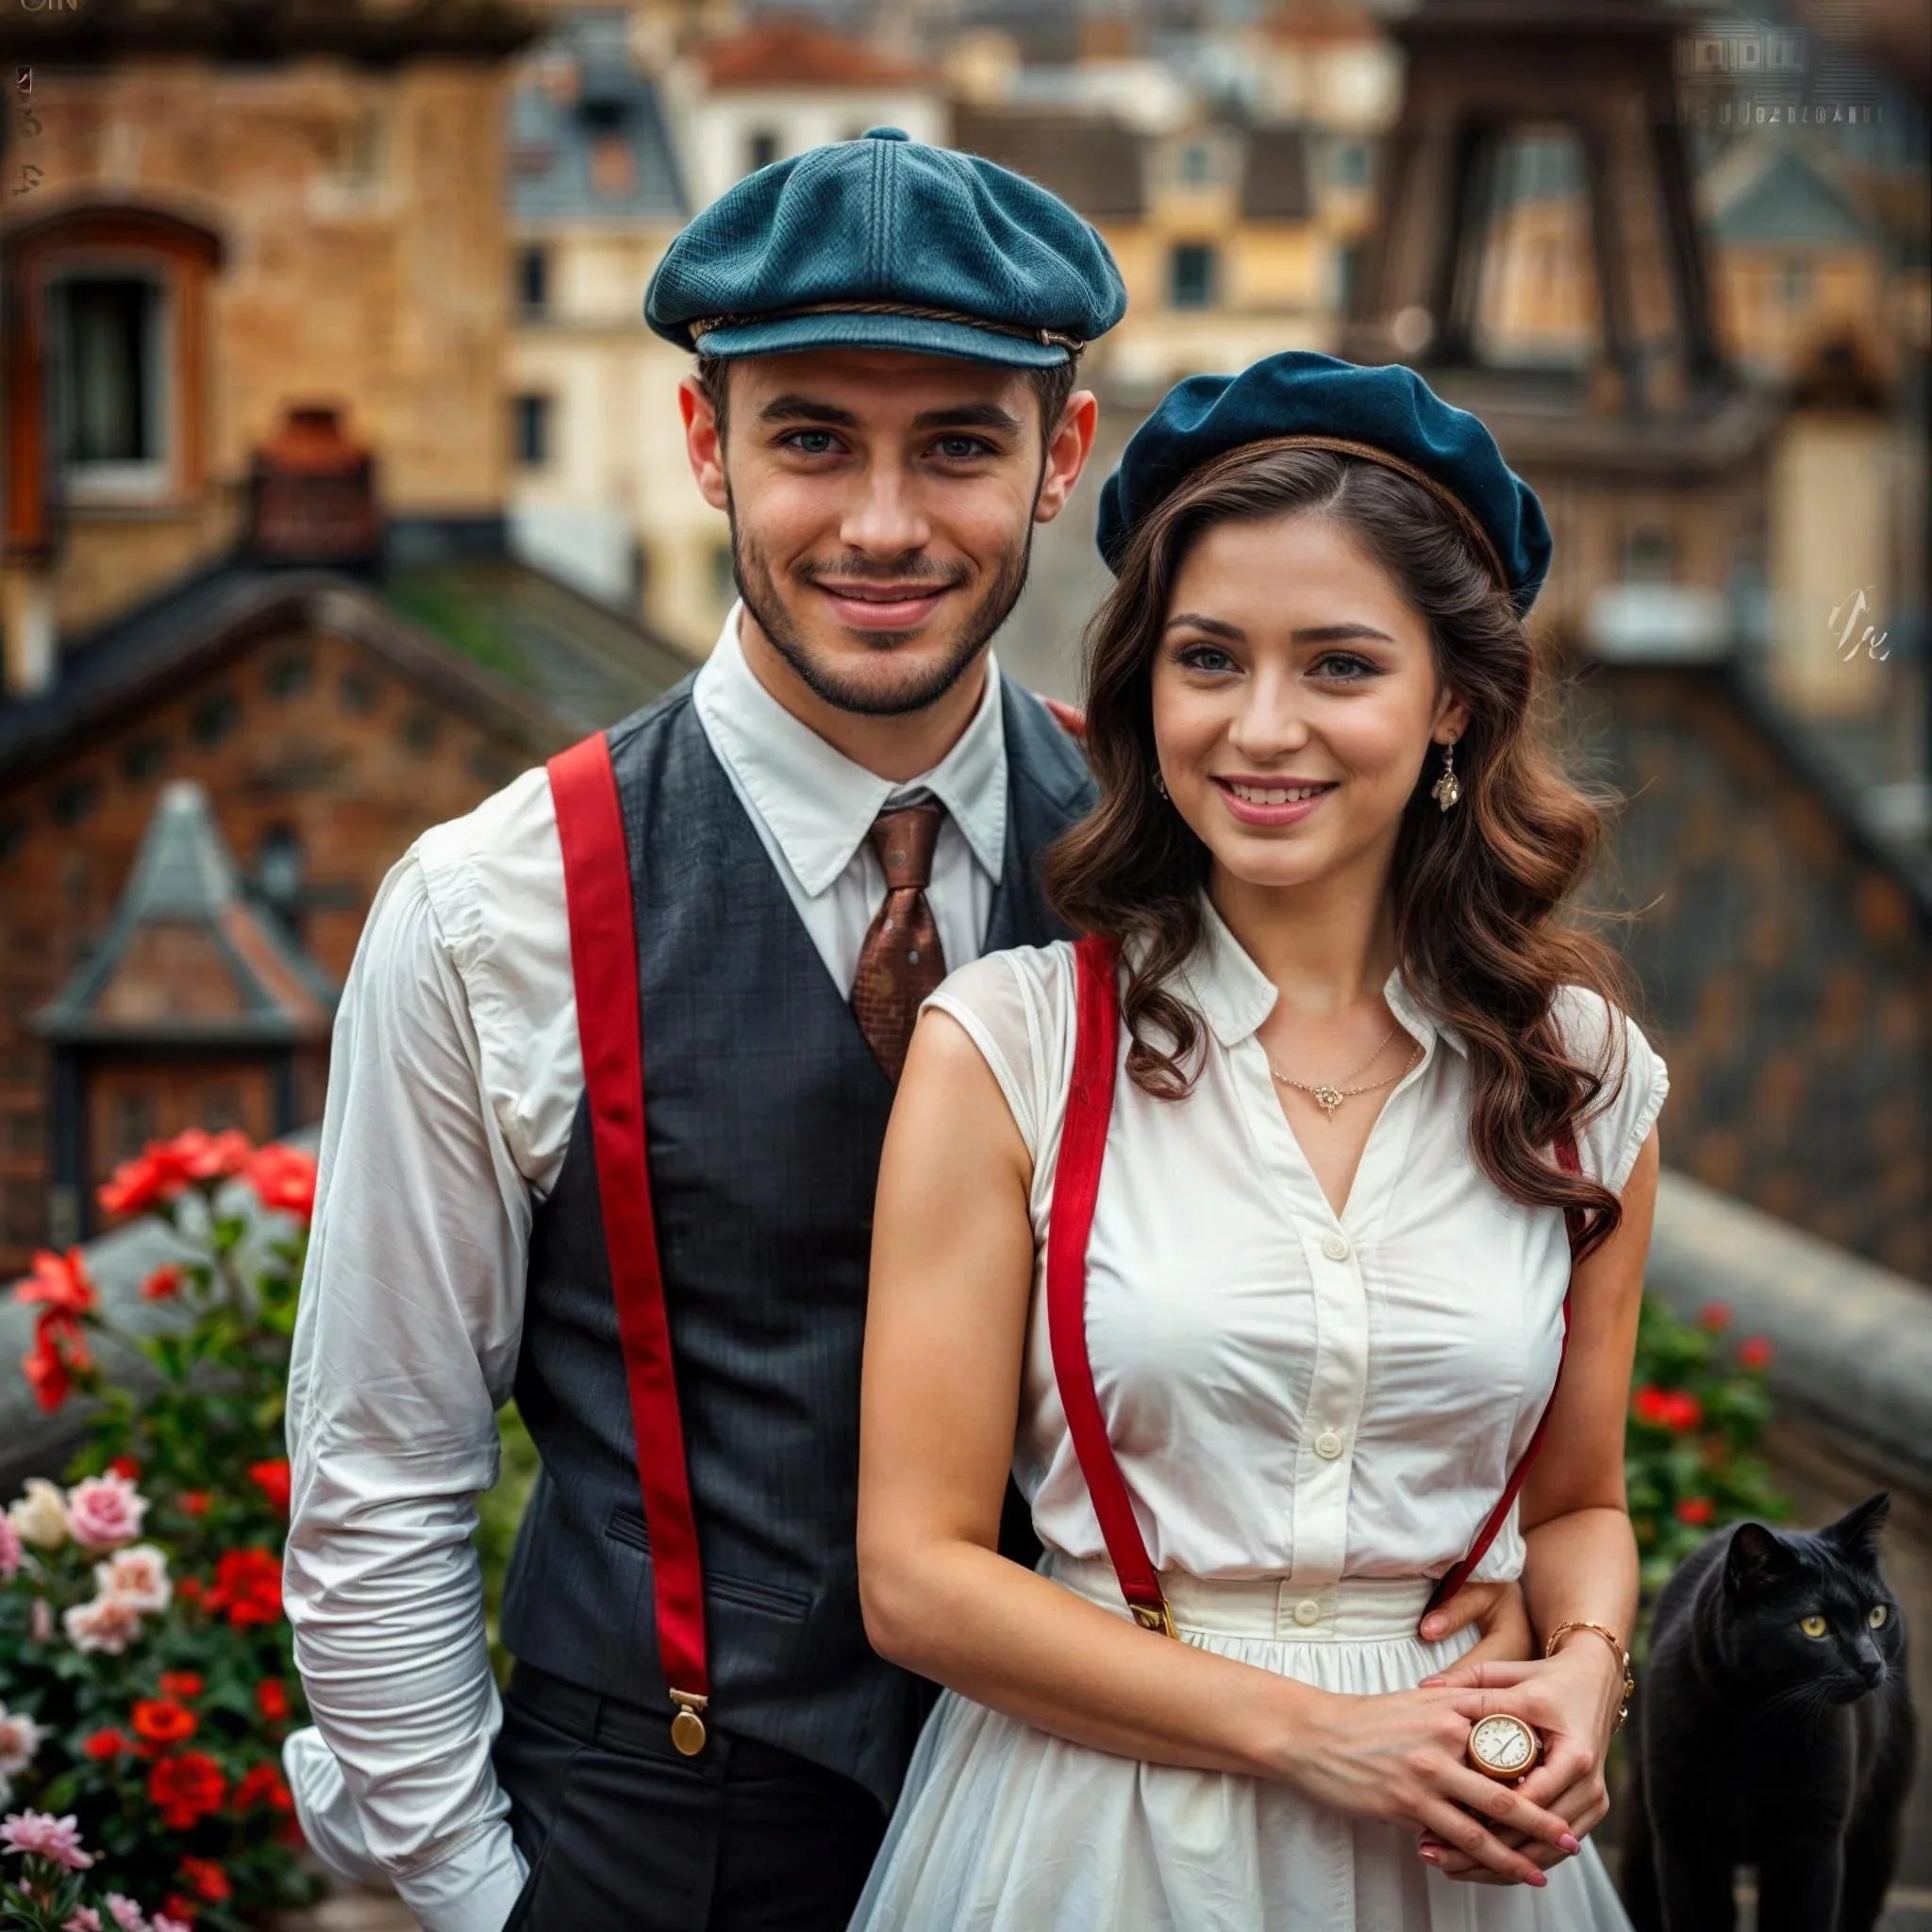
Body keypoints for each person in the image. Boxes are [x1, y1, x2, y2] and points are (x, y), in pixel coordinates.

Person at [851, 348, 1668, 1929]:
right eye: (1209, 659)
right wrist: (1325, 1739)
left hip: (1460, 1851)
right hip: (1100, 1834)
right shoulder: (1013, 1046)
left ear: (1454, 705)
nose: (1262, 726)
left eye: (1341, 666)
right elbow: (917, 1573)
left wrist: (1582, 1672)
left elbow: (1577, 1505)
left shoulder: (1583, 1077)